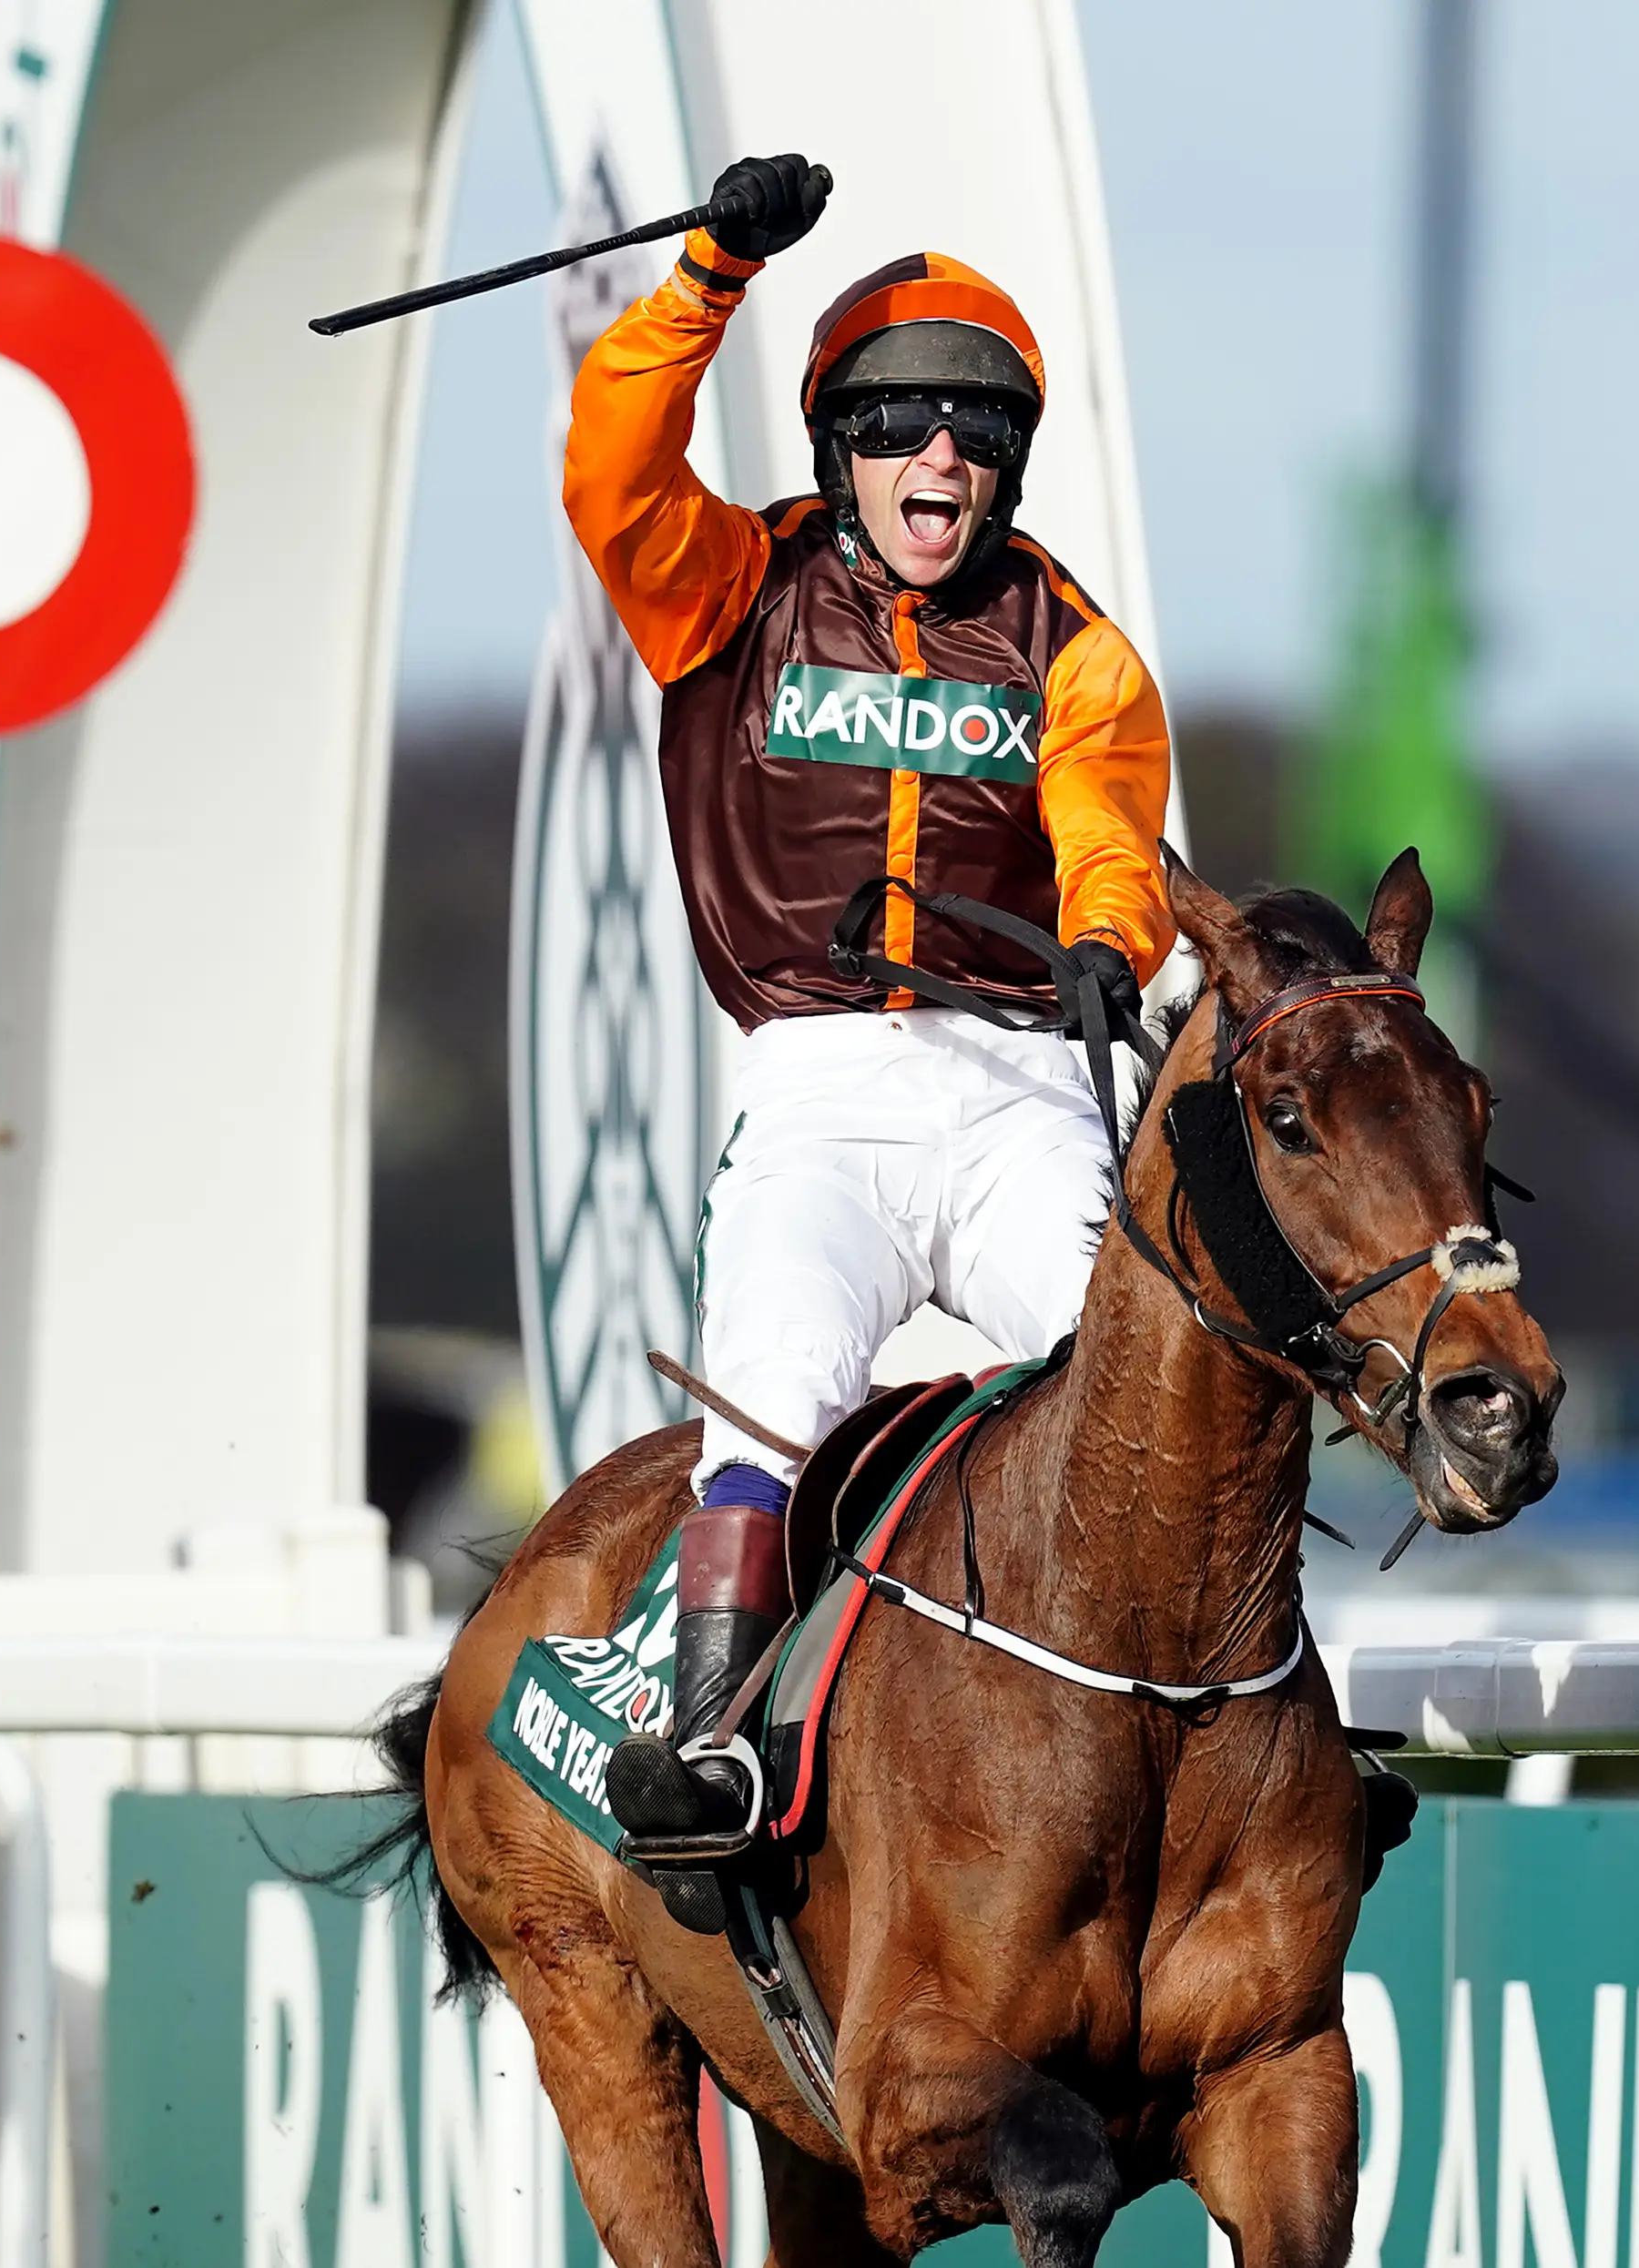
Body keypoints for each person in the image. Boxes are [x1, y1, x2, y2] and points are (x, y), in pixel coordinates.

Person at [562, 154, 1174, 1852]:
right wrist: (708, 275)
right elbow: (610, 466)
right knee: (773, 1386)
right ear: (841, 444)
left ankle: (1256, 1737)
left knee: (1148, 1380)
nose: (941, 458)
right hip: (821, 1092)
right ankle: (712, 1743)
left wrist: (1109, 936)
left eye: (977, 432)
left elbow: (1109, 828)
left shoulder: (1073, 644)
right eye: (902, 423)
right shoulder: (727, 583)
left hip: (1022, 1092)